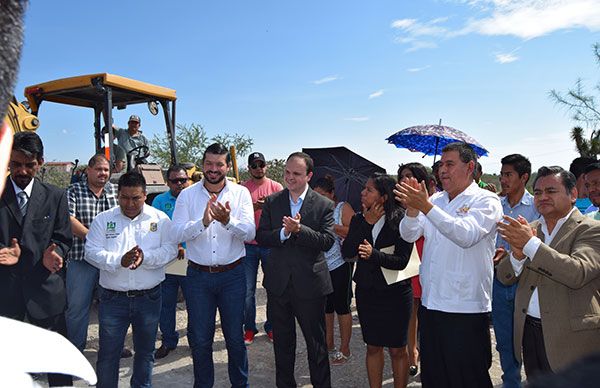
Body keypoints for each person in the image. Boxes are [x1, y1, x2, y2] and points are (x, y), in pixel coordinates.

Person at [396, 142, 502, 388]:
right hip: (432, 304)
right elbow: (408, 234)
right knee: (435, 377)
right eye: (441, 164)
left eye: (450, 164)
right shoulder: (436, 199)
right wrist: (412, 211)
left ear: (470, 167)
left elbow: (466, 235)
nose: (443, 170)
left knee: (467, 378)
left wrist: (426, 207)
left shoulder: (485, 200)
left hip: (464, 307)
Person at [496, 166, 600, 379]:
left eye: (551, 191)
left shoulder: (590, 229)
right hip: (531, 333)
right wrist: (517, 255)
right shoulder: (530, 228)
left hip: (572, 339)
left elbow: (577, 272)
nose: (542, 197)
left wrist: (530, 245)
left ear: (573, 195)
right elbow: (504, 276)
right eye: (537, 192)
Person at [171, 143, 255, 388]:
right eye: (209, 163)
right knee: (200, 339)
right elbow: (176, 233)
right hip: (198, 277)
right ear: (203, 165)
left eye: (219, 164)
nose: (214, 169)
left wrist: (228, 221)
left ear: (227, 166)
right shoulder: (188, 195)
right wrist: (203, 222)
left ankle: (240, 385)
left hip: (233, 276)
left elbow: (249, 232)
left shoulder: (240, 194)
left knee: (235, 339)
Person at [85, 171, 177, 388]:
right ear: (118, 195)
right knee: (108, 355)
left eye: (136, 197)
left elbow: (171, 250)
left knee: (145, 353)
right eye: (125, 197)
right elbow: (91, 252)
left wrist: (146, 258)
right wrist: (119, 260)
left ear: (145, 195)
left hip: (149, 298)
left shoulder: (160, 220)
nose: (130, 203)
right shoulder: (103, 220)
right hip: (112, 299)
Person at [0, 131, 73, 386]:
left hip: (46, 292)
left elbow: (64, 239)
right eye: (16, 164)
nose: (22, 171)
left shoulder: (55, 196)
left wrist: (56, 254)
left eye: (29, 165)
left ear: (40, 163)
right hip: (6, 295)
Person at [256, 151, 335, 388]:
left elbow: (327, 241)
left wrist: (301, 230)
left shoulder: (324, 205)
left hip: (310, 285)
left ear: (309, 175)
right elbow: (261, 237)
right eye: (287, 172)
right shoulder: (273, 201)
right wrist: (283, 233)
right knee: (282, 345)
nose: (290, 177)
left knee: (316, 345)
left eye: (296, 174)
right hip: (279, 285)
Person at [342, 173, 413, 388]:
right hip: (368, 292)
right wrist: (366, 224)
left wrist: (374, 254)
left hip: (396, 294)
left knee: (398, 349)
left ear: (383, 197)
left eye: (369, 190)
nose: (363, 193)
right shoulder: (358, 218)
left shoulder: (402, 219)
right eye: (364, 189)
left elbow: (402, 260)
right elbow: (347, 251)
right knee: (372, 347)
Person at [492, 154, 539, 388]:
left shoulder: (537, 207)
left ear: (524, 177)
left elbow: (543, 247)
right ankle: (511, 383)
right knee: (504, 342)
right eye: (501, 175)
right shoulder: (495, 206)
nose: (503, 179)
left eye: (508, 175)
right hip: (500, 280)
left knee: (531, 341)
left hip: (529, 282)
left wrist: (514, 254)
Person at [65, 154, 118, 354]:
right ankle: (75, 350)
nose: (103, 173)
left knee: (112, 307)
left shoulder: (114, 191)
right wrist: (93, 239)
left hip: (109, 260)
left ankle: (113, 346)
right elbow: (68, 219)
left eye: (106, 170)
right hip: (82, 258)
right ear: (89, 170)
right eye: (99, 169)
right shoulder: (74, 191)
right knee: (78, 308)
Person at [313, 174, 355, 365]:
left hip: (340, 265)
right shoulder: (313, 210)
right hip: (321, 266)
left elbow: (354, 231)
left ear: (331, 194)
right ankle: (328, 344)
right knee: (325, 308)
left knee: (342, 307)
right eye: (315, 195)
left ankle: (344, 348)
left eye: (322, 195)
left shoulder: (342, 208)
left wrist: (332, 226)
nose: (318, 199)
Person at [241, 151, 283, 345]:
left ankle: (272, 326)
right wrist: (254, 207)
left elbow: (284, 213)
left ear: (266, 166)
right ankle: (249, 328)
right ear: (249, 168)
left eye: (261, 165)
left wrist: (268, 208)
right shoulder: (241, 189)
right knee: (247, 291)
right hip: (248, 245)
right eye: (254, 166)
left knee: (272, 288)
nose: (258, 169)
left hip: (270, 245)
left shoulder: (276, 187)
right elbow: (236, 214)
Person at [151, 165, 191, 359]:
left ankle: (195, 340)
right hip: (169, 259)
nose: (180, 184)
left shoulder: (195, 199)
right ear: (168, 183)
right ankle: (168, 340)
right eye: (175, 181)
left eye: (183, 180)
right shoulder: (159, 201)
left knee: (195, 303)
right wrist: (175, 246)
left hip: (192, 259)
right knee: (166, 303)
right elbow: (157, 230)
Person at [397, 162, 431, 378]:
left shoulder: (433, 203)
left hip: (424, 258)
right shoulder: (395, 203)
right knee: (410, 309)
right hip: (404, 262)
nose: (404, 180)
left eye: (409, 176)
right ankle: (412, 352)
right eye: (401, 176)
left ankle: (425, 351)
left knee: (423, 308)